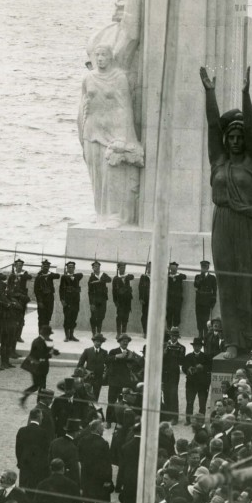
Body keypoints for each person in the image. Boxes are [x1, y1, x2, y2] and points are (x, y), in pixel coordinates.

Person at [199, 65, 252, 356]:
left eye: (241, 137)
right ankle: (232, 342)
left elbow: (251, 129)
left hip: (249, 225)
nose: (237, 140)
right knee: (227, 283)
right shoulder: (219, 162)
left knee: (251, 282)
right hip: (223, 224)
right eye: (232, 137)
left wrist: (245, 95)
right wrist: (210, 93)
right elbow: (213, 126)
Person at [77, 43, 144, 225]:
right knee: (96, 174)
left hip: (113, 132)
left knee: (113, 175)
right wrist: (82, 131)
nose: (100, 59)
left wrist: (123, 137)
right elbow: (83, 106)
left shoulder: (119, 77)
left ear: (110, 57)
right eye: (97, 55)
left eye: (104, 55)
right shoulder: (88, 78)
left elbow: (124, 108)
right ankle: (101, 212)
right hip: (92, 131)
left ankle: (116, 214)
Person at [78, 419, 113, 503]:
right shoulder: (103, 443)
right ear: (97, 429)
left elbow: (80, 459)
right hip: (100, 479)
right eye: (102, 427)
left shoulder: (83, 441)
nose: (103, 429)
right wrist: (108, 480)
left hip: (87, 478)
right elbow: (107, 464)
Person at [21, 325, 56, 406]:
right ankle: (32, 398)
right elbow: (41, 354)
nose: (49, 336)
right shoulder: (38, 341)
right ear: (45, 334)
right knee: (39, 385)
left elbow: (44, 350)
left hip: (41, 366)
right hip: (37, 367)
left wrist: (52, 350)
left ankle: (33, 399)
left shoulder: (41, 340)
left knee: (40, 385)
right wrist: (50, 354)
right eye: (48, 334)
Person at [59, 262, 83, 342]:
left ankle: (72, 335)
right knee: (67, 318)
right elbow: (61, 290)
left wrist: (71, 276)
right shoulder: (64, 277)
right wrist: (62, 300)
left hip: (76, 301)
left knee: (74, 318)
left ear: (74, 268)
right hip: (67, 301)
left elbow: (81, 274)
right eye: (69, 267)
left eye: (72, 267)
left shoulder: (76, 277)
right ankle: (67, 336)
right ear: (67, 268)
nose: (71, 268)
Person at [194, 259, 218, 334]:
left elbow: (214, 290)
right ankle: (200, 334)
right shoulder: (198, 276)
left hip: (207, 301)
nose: (203, 268)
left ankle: (206, 334)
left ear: (208, 268)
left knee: (206, 319)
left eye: (205, 267)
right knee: (199, 318)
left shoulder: (212, 278)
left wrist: (213, 301)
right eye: (202, 267)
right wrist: (201, 277)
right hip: (199, 301)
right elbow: (196, 285)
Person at [87, 261, 110, 336]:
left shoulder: (103, 275)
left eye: (98, 266)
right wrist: (91, 303)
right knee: (94, 317)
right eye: (95, 266)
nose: (97, 268)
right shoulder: (91, 277)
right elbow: (89, 292)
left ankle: (99, 332)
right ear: (93, 268)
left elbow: (109, 279)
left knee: (101, 315)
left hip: (103, 299)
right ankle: (94, 332)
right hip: (94, 300)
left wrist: (99, 281)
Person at [112, 263, 133, 336]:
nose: (123, 269)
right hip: (120, 302)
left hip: (127, 301)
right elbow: (113, 292)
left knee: (126, 318)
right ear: (118, 269)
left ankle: (124, 333)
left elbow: (132, 276)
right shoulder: (115, 278)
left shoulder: (127, 277)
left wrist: (126, 276)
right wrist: (115, 301)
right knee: (119, 317)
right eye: (121, 268)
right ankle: (118, 333)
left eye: (124, 268)